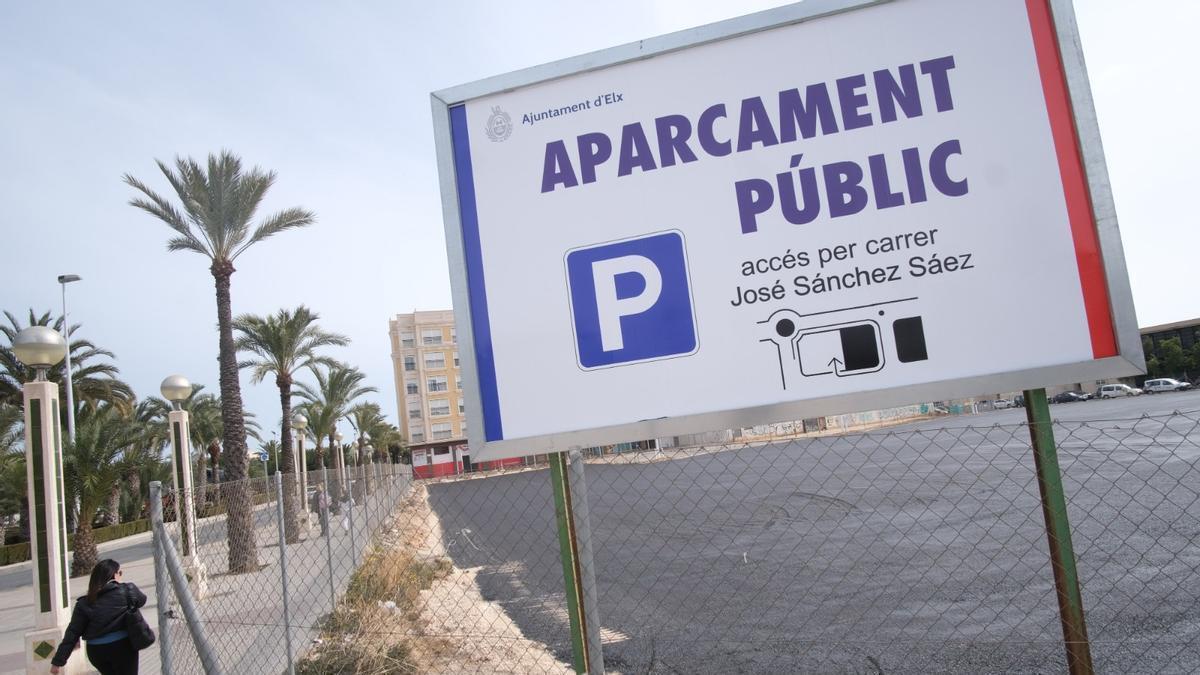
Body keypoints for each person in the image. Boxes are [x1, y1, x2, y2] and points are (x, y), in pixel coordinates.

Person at [50, 559, 146, 674]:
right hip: (122, 647)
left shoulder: (83, 603)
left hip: (96, 651)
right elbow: (142, 600)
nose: (121, 576)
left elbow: (72, 633)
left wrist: (58, 662)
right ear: (114, 575)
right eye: (120, 573)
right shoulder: (127, 590)